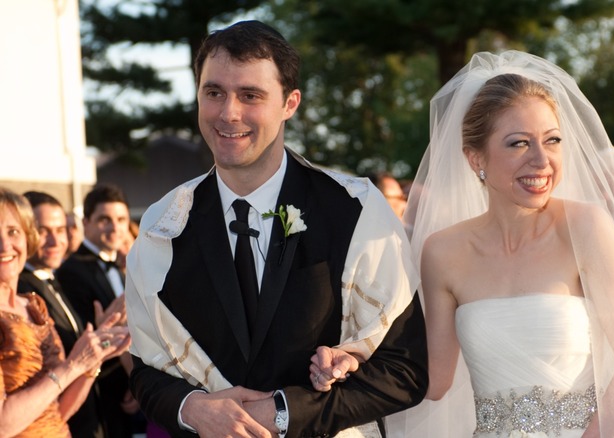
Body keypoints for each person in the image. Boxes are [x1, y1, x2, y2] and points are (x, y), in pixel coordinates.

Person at [124, 20, 427, 437]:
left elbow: (404, 370)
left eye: (250, 95)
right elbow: (145, 370)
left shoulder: (354, 210)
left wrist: (284, 412)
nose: (228, 113)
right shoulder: (164, 226)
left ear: (290, 103)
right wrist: (193, 409)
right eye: (214, 93)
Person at [381, 51, 614, 437]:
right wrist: (354, 355)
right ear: (475, 158)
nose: (542, 160)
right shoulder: (442, 251)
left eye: (552, 140)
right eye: (519, 143)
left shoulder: (586, 228)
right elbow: (435, 380)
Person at [0, 187, 129, 437]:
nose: (5, 245)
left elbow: (57, 411)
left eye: (13, 231)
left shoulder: (34, 306)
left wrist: (94, 358)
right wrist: (73, 365)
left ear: (27, 236)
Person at [57, 184, 141, 438]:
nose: (115, 227)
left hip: (131, 388)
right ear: (86, 222)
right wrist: (133, 384)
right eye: (105, 219)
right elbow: (84, 336)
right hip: (99, 394)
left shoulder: (124, 264)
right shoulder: (72, 272)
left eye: (121, 219)